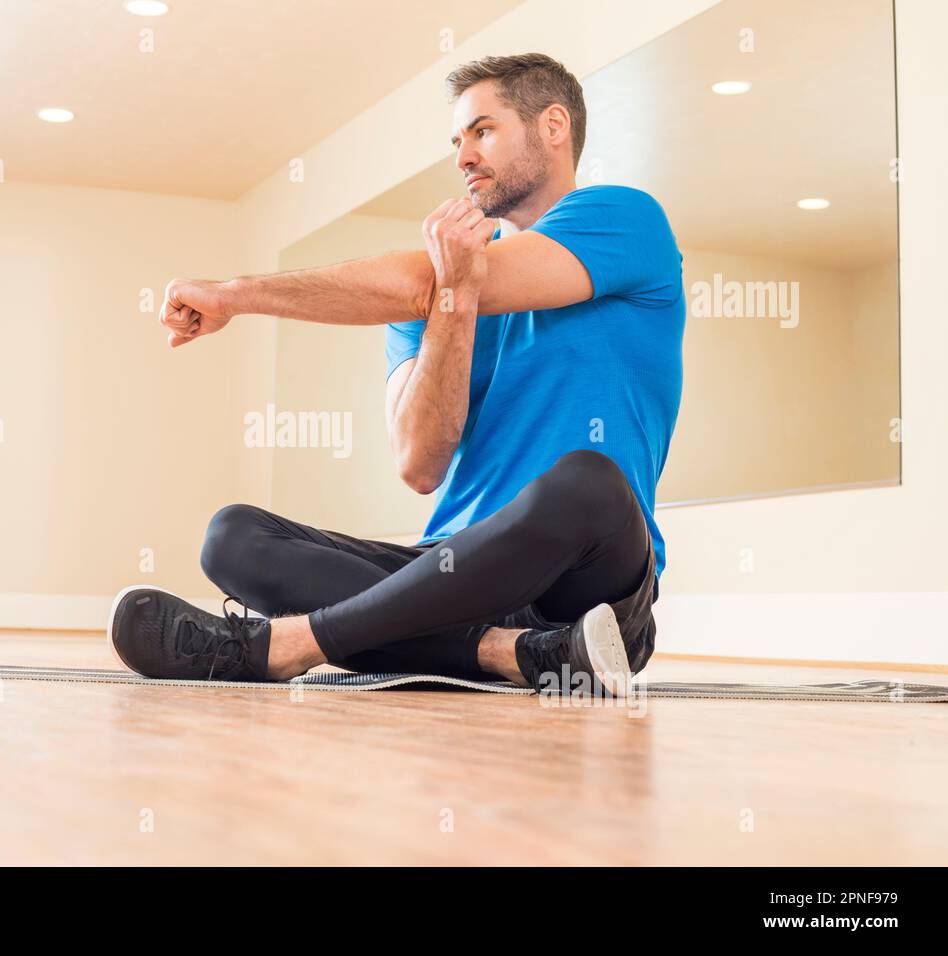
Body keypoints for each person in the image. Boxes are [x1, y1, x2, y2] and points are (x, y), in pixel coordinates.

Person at [107, 53, 685, 695]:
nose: (463, 156)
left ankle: (289, 644)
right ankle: (510, 655)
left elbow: (422, 282)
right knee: (233, 537)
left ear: (554, 125)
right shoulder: (426, 297)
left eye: (483, 130)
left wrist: (235, 294)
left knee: (590, 484)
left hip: (587, 589)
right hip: (447, 577)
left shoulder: (626, 219)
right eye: (457, 140)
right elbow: (419, 464)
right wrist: (451, 301)